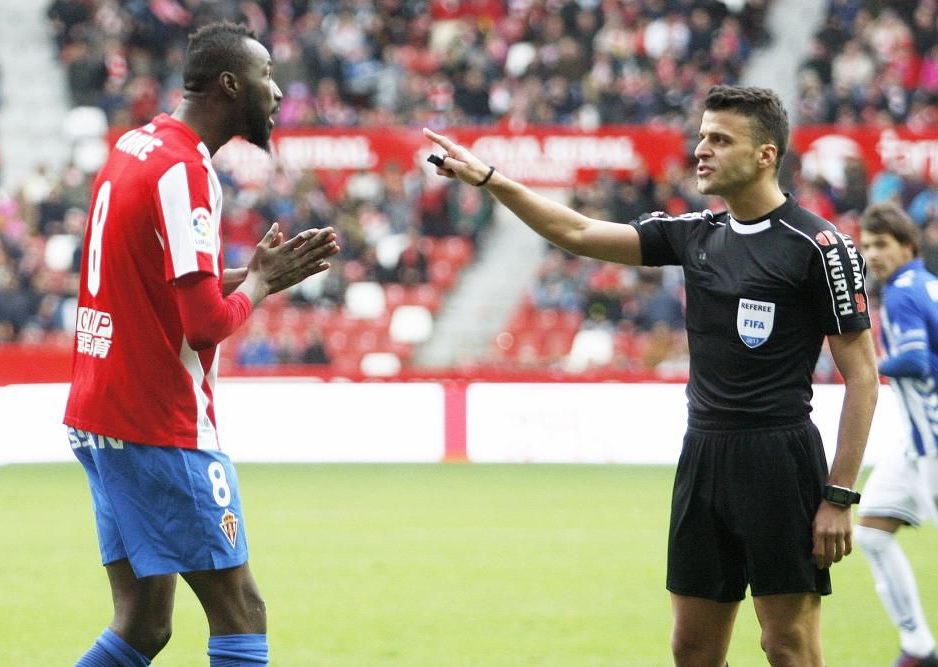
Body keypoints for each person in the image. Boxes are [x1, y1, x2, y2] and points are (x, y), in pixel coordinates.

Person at [425, 85, 879, 666]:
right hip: (703, 454)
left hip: (779, 458)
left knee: (786, 643)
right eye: (701, 137)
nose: (701, 150)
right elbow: (580, 233)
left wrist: (839, 495)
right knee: (690, 647)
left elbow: (863, 376)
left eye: (720, 139)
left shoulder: (819, 245)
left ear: (766, 155)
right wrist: (491, 180)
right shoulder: (695, 234)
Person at [64, 21, 339, 667]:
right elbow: (205, 324)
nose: (276, 92)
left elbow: (156, 278)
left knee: (143, 624)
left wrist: (250, 273)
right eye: (266, 76)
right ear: (229, 84)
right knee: (242, 610)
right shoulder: (188, 171)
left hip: (97, 413)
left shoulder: (137, 144)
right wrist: (263, 286)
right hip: (158, 422)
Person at [856, 203, 938, 667]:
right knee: (871, 531)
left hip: (934, 440)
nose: (873, 255)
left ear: (908, 246)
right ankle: (919, 648)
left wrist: (863, 368)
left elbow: (915, 360)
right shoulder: (927, 286)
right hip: (915, 442)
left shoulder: (904, 291)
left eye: (881, 245)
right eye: (867, 246)